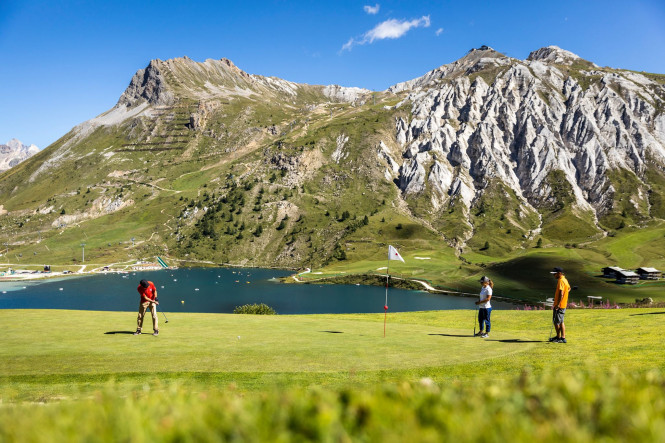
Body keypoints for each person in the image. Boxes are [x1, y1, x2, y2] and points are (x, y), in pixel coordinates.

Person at [550, 267, 571, 343]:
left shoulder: (561, 281)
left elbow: (561, 294)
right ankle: (561, 337)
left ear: (559, 273)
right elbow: (569, 288)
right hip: (563, 304)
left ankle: (560, 338)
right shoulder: (565, 279)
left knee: (556, 322)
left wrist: (557, 304)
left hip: (559, 305)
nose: (554, 275)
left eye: (554, 274)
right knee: (561, 321)